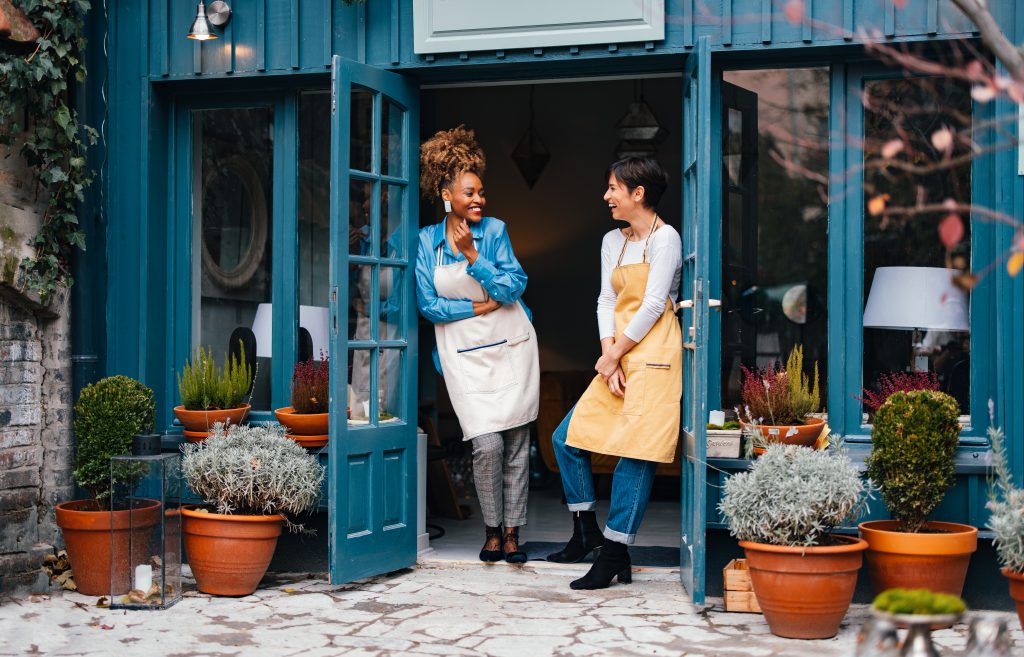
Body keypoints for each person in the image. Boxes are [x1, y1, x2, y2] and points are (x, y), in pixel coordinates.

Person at [548, 156, 682, 590]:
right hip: (619, 356)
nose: (606, 196)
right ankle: (585, 528)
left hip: (656, 354)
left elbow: (652, 304)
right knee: (565, 439)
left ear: (637, 193)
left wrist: (617, 353)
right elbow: (607, 300)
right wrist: (610, 356)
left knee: (637, 454)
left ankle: (615, 552)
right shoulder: (612, 241)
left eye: (612, 188)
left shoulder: (667, 239)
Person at [415, 126, 540, 564]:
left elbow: (513, 287)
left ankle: (511, 534)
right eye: (470, 193)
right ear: (446, 193)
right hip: (463, 357)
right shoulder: (426, 242)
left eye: (482, 192)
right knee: (487, 445)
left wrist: (473, 257)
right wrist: (476, 310)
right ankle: (491, 528)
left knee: (517, 446)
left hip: (511, 348)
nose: (479, 200)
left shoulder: (495, 232)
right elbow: (428, 305)